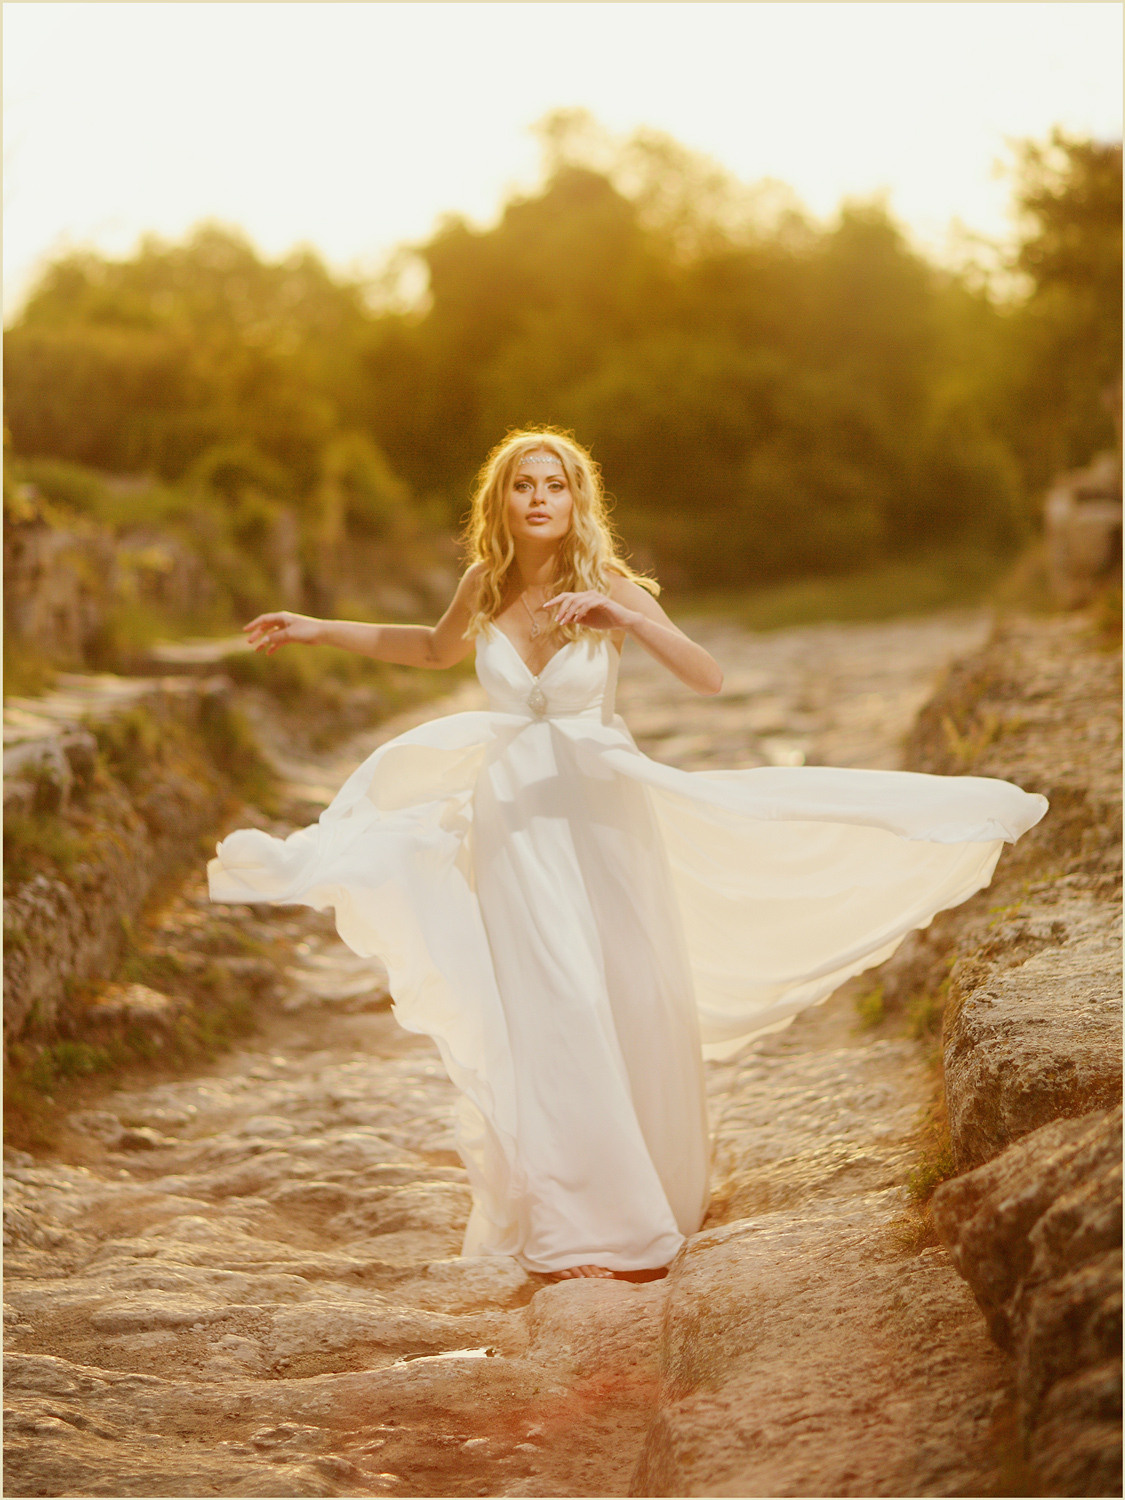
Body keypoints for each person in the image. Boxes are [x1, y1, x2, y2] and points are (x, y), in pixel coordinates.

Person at [208, 428, 1048, 1283]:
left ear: (578, 499)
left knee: (625, 994)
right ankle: (577, 1218)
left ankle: (643, 1196)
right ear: (500, 502)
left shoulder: (604, 583)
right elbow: (427, 646)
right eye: (522, 485)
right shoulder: (484, 582)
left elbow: (707, 676)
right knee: (551, 1002)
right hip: (514, 824)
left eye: (555, 484)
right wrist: (315, 628)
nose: (538, 498)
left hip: (604, 818)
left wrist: (627, 617)